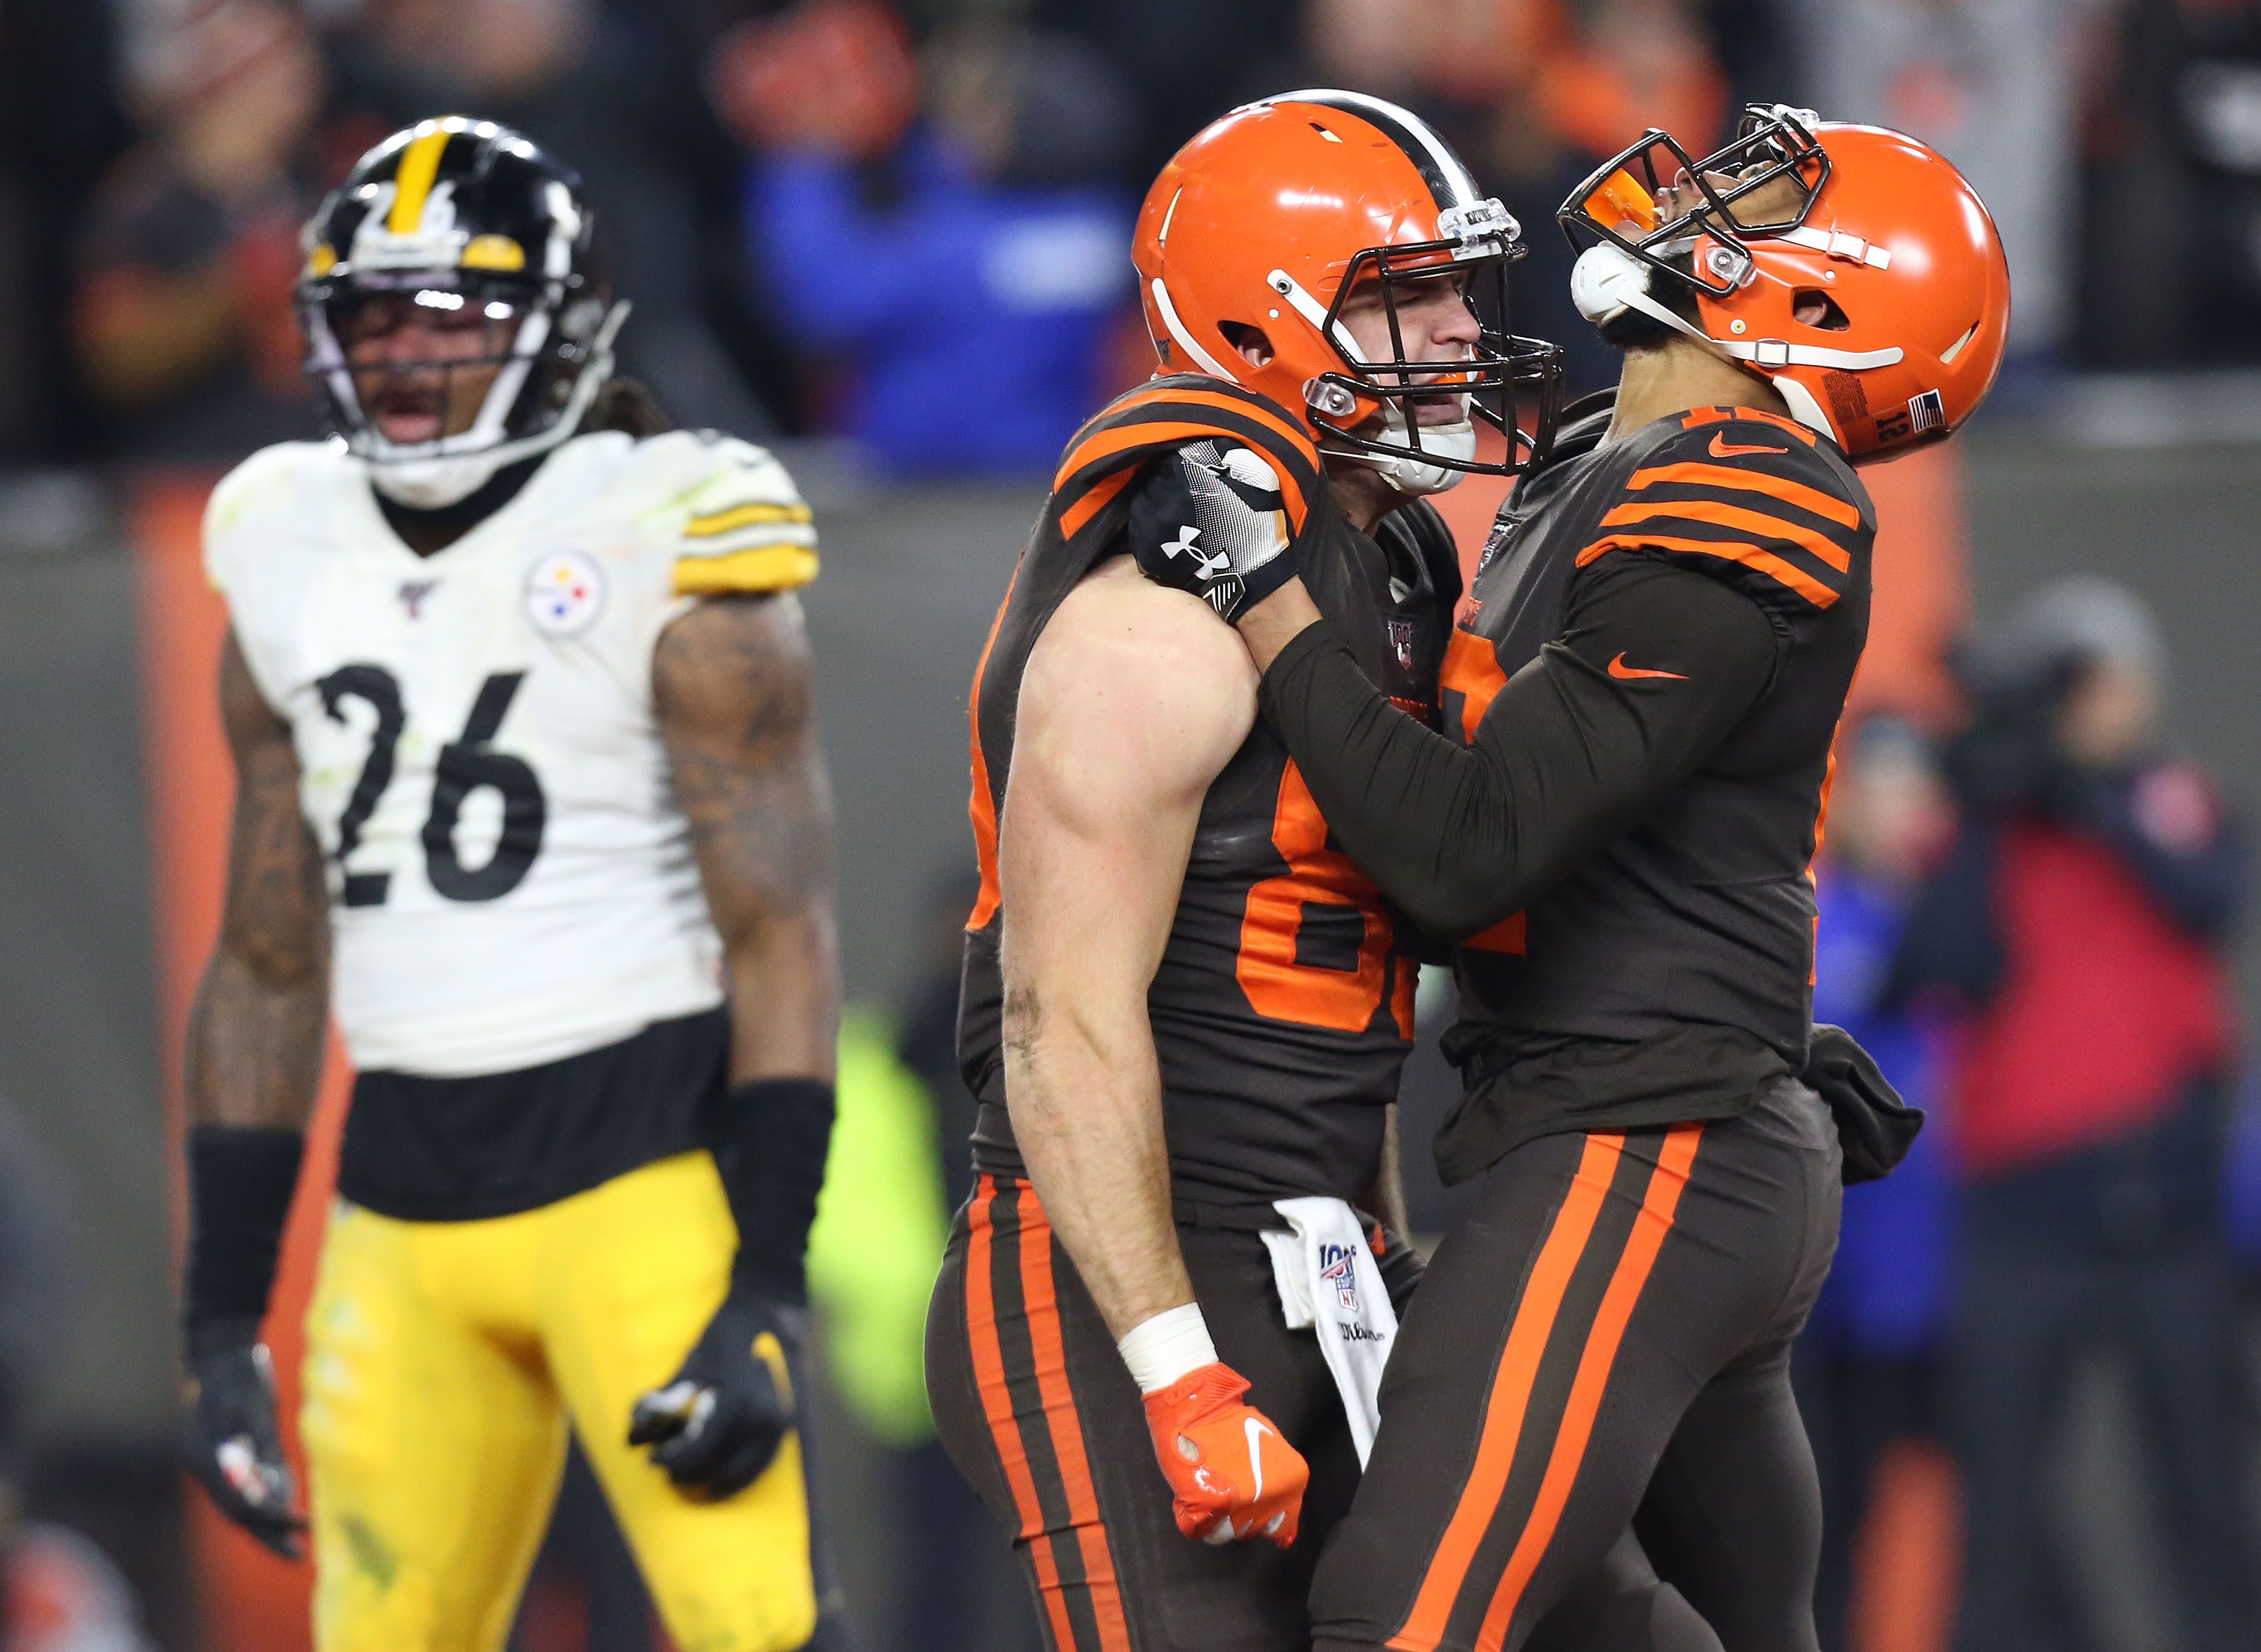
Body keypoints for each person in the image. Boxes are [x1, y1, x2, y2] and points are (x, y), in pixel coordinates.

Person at [1134, 106, 2010, 1652]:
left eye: (1759, 198)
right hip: (1672, 1119)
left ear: (1817, 299)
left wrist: (1267, 599)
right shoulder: (1626, 454)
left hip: (1649, 1143)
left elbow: (1467, 855)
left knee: (1396, 1620)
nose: (1698, 202)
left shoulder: (1751, 485)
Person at [178, 117, 844, 1652]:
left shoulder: (668, 516)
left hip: (646, 1174)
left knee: (764, 1632)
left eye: (455, 312)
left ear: (557, 326)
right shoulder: (280, 532)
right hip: (398, 1200)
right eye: (371, 313)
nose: (405, 353)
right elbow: (270, 957)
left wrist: (765, 1283)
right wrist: (219, 1319)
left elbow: (780, 928)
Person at [924, 90, 1562, 1652]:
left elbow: (1339, 977)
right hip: (1118, 1271)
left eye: (1451, 285)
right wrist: (1172, 1362)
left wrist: (1374, 1244)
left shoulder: (1383, 562)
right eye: (1400, 293)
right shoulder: (1156, 621)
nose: (1454, 327)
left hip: (1308, 1248)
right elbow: (1055, 1028)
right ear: (1259, 319)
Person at [1888, 576, 2255, 1652]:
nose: (2084, 705)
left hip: (2167, 1207)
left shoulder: (2167, 797)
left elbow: (2206, 894)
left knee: (2203, 1493)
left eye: (2095, 680)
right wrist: (1991, 806)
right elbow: (1938, 970)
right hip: (2021, 1215)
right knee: (1997, 1503)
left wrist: (2085, 794)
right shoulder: (1990, 826)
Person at [1790, 718, 1956, 1652]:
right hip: (1834, 1287)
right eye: (1881, 787)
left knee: (2009, 1511)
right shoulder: (1808, 915)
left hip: (1948, 1285)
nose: (1901, 810)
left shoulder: (1961, 924)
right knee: (1825, 1525)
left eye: (1916, 788)